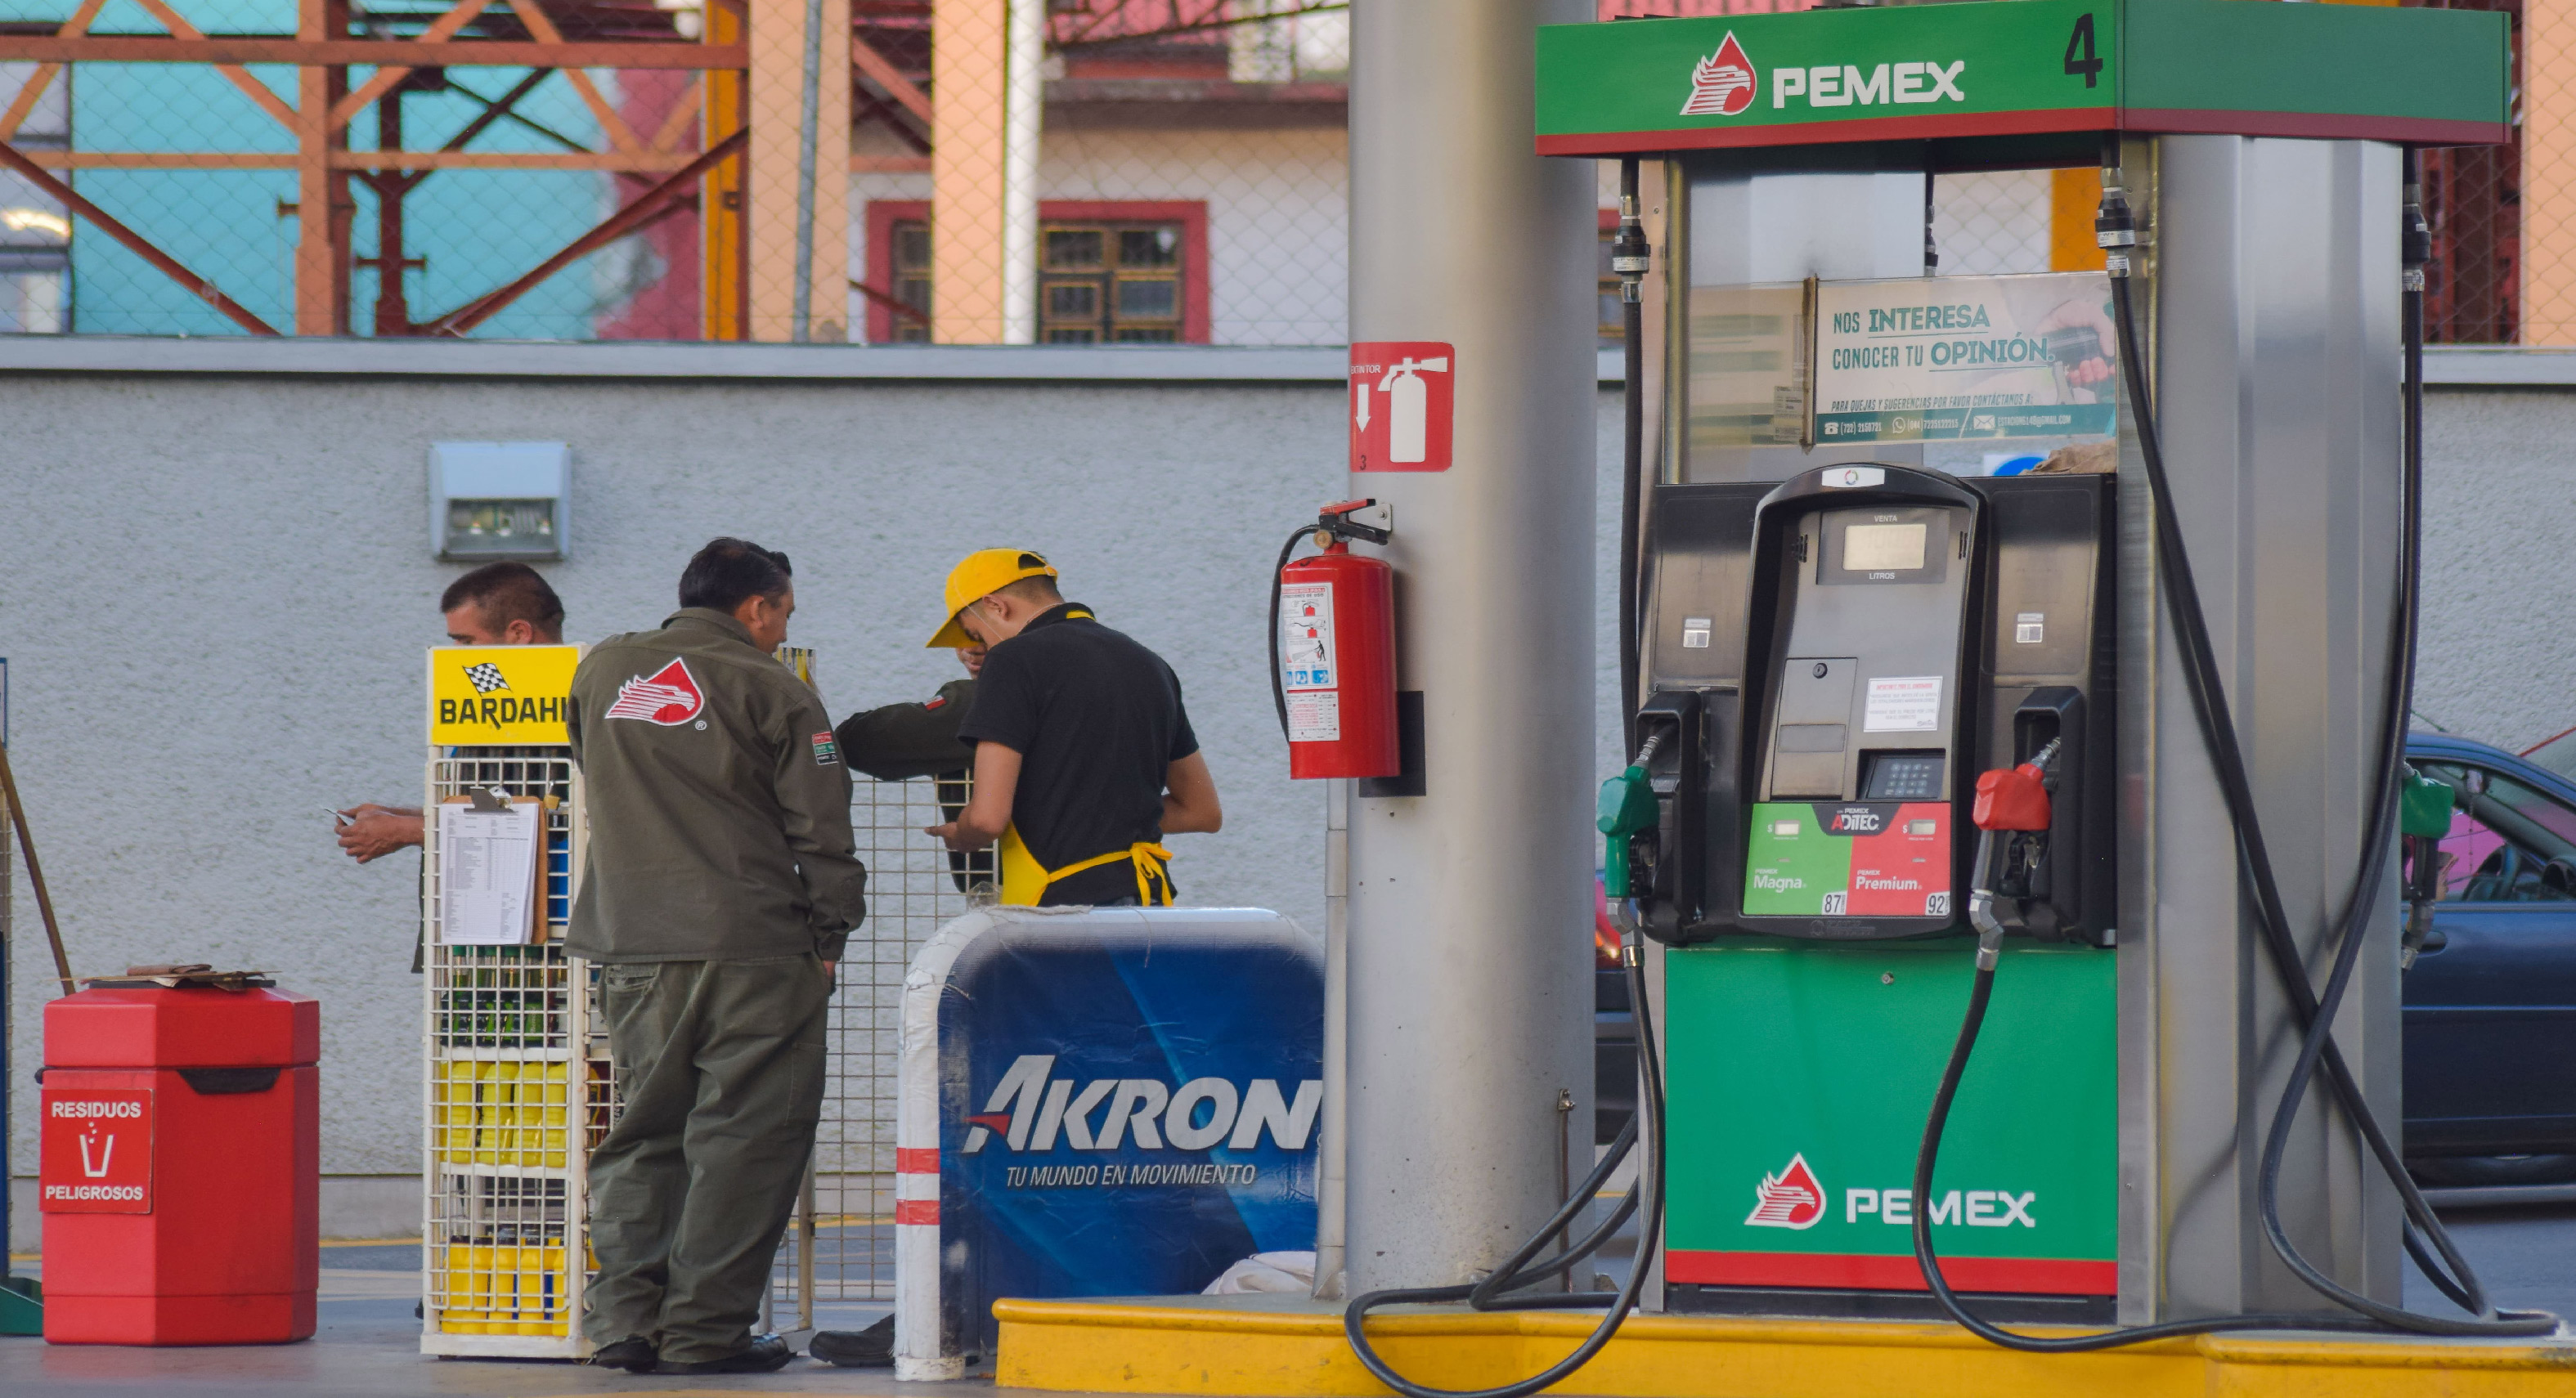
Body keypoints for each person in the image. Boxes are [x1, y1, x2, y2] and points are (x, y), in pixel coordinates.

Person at [565, 537, 868, 1376]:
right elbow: (824, 832)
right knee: (747, 1139)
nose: (780, 632)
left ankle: (623, 1322)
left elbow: (593, 769)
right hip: (754, 947)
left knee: (641, 1133)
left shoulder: (601, 671)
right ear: (757, 608)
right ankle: (705, 1334)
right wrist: (830, 936)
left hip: (632, 943)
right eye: (783, 617)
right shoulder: (777, 688)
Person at [923, 549, 1221, 905]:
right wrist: (1098, 819)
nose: (977, 651)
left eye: (976, 636)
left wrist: (963, 834)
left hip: (1063, 913)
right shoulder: (1149, 664)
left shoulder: (1012, 660)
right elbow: (1201, 810)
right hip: (1148, 901)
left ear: (996, 606)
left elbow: (988, 818)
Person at [334, 562, 567, 863]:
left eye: (466, 641)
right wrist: (393, 817)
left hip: (545, 904)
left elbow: (543, 822)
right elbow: (491, 807)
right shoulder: (490, 703)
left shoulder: (570, 709)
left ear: (519, 633)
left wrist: (406, 830)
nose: (455, 653)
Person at [833, 641, 991, 894]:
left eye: (979, 634)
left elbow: (857, 741)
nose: (971, 649)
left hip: (1014, 892)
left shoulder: (983, 701)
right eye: (959, 638)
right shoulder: (1062, 686)